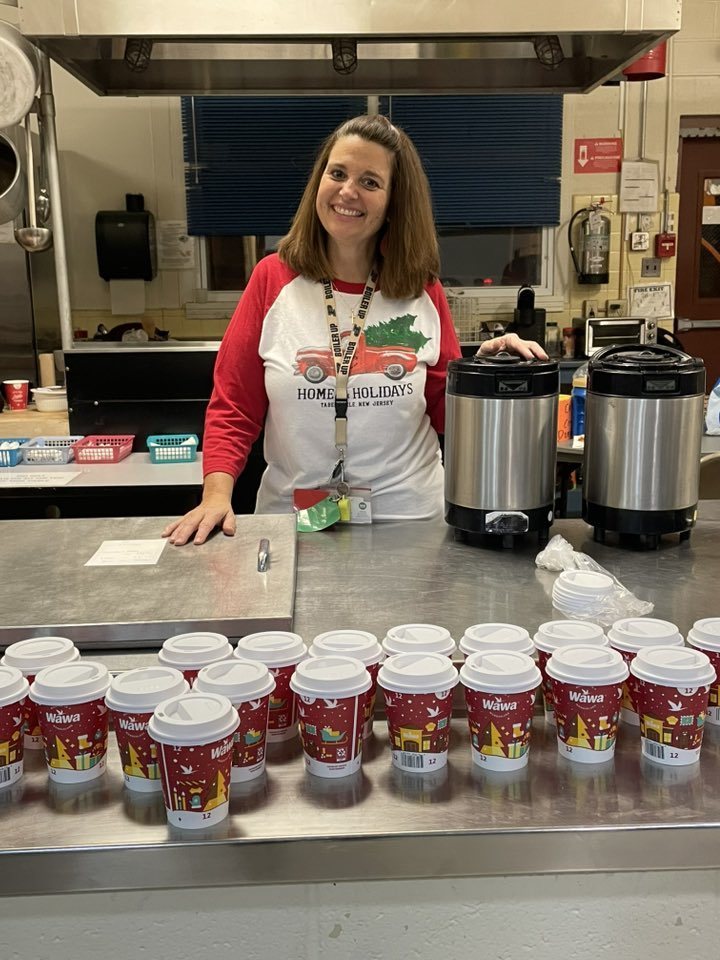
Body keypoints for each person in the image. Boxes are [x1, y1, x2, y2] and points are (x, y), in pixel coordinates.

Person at [164, 114, 546, 546]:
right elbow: (234, 405)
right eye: (338, 173)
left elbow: (446, 410)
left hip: (412, 525)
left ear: (394, 202)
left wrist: (485, 375)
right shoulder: (272, 280)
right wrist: (216, 496)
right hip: (294, 525)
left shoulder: (421, 289)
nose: (347, 191)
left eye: (370, 181)